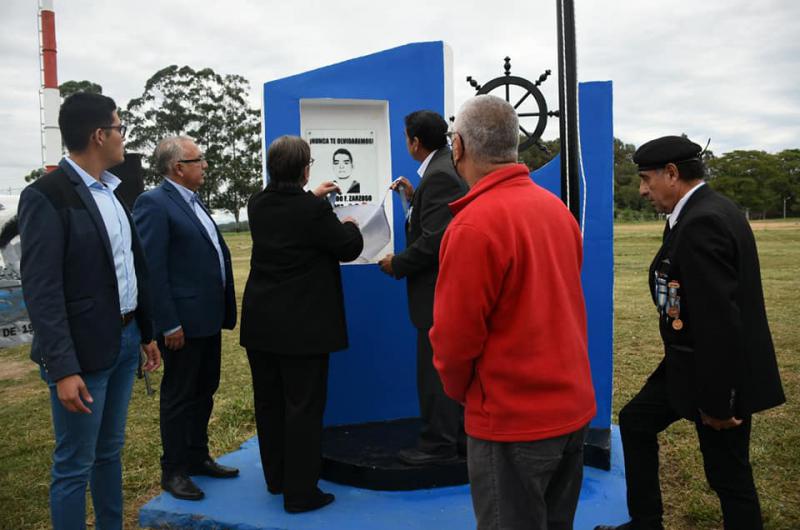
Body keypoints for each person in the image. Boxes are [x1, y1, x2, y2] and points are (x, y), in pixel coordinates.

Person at [594, 136, 785, 530]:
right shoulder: (704, 210)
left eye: (646, 180)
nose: (643, 190)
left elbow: (719, 321)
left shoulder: (703, 221)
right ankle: (646, 522)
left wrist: (719, 404)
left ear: (672, 173)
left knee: (729, 476)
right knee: (636, 420)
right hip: (687, 360)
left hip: (716, 372)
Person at [430, 95, 596, 530]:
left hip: (511, 423)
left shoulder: (472, 225)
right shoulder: (556, 211)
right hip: (571, 411)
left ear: (460, 147)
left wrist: (464, 393)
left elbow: (454, 340)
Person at [17, 92, 161, 530]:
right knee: (74, 464)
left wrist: (146, 333)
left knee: (109, 452)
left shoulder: (115, 193)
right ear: (99, 135)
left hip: (126, 339)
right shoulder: (47, 196)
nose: (124, 138)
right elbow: (42, 290)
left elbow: (129, 269)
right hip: (81, 354)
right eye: (120, 129)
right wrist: (62, 369)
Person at [240, 135, 363, 513]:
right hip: (303, 330)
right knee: (303, 409)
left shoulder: (256, 204)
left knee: (270, 404)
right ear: (305, 168)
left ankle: (277, 479)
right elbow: (347, 247)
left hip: (262, 326)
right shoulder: (314, 212)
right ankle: (301, 493)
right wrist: (350, 223)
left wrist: (312, 198)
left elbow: (289, 215)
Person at [132, 136, 238, 501]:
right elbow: (152, 270)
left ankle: (197, 456)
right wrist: (168, 323)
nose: (205, 165)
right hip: (182, 325)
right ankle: (173, 470)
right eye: (199, 160)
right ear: (178, 168)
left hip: (207, 319)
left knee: (204, 390)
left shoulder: (193, 201)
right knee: (179, 396)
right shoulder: (154, 203)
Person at [377, 110, 468, 465]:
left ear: (415, 142)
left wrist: (396, 263)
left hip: (436, 295)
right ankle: (454, 438)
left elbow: (435, 241)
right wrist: (414, 199)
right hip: (441, 293)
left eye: (405, 137)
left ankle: (439, 445)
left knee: (435, 373)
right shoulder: (442, 169)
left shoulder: (441, 175)